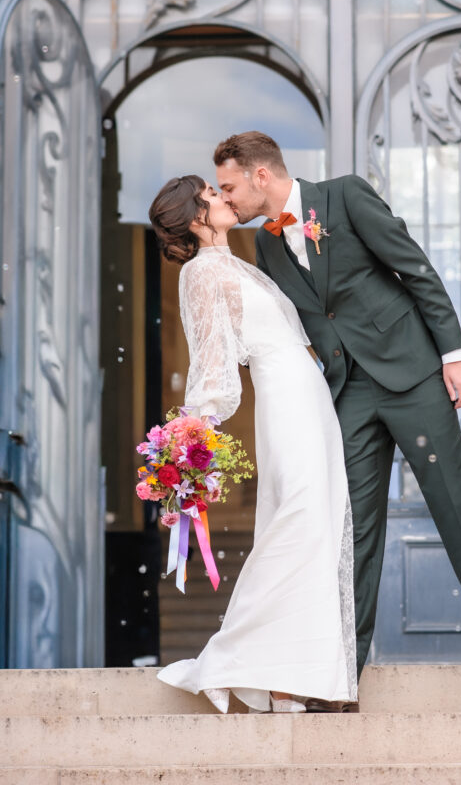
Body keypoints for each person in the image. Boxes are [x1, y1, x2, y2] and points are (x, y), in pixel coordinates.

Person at [214, 131, 461, 714]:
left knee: (457, 511)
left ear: (260, 175)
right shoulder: (264, 245)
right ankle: (344, 677)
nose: (226, 198)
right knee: (353, 534)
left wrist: (453, 355)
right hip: (348, 394)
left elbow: (414, 269)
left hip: (412, 376)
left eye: (229, 186)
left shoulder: (344, 196)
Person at [150, 175, 357, 714]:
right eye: (211, 194)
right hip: (284, 398)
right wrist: (195, 440)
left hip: (309, 394)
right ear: (195, 217)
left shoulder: (236, 262)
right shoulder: (201, 272)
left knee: (316, 524)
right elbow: (211, 360)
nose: (223, 198)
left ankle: (289, 678)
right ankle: (241, 659)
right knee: (300, 520)